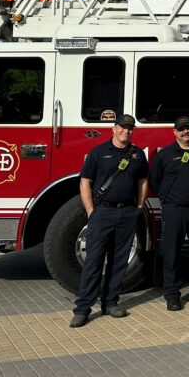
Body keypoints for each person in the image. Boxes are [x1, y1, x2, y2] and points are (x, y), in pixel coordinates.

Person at [70, 114, 149, 328]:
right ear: (114, 129)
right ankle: (83, 308)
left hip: (127, 213)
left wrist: (139, 206)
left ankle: (110, 302)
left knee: (119, 261)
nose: (127, 131)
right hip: (102, 214)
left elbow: (143, 180)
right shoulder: (98, 152)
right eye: (123, 127)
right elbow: (85, 182)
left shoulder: (138, 154)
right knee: (94, 261)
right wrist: (91, 211)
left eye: (130, 128)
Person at [149, 116, 189, 311]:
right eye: (181, 129)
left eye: (188, 128)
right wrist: (166, 198)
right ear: (175, 132)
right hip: (174, 209)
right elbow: (155, 180)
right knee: (172, 252)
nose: (186, 132)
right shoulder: (165, 155)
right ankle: (172, 294)